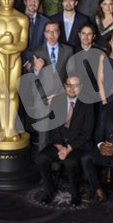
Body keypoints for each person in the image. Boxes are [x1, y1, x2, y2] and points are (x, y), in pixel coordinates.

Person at [36, 74, 94, 206]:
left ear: (81, 87)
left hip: (78, 145)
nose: (72, 89)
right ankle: (49, 191)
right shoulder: (57, 101)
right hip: (59, 142)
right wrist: (60, 147)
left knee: (70, 162)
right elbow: (53, 126)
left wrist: (69, 149)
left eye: (76, 86)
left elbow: (87, 133)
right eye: (69, 85)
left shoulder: (88, 104)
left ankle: (75, 195)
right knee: (41, 158)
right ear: (64, 86)